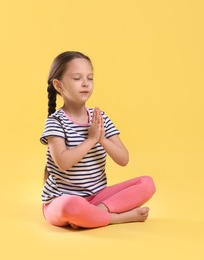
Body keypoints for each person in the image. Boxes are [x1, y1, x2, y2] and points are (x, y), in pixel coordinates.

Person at [40, 51, 156, 229]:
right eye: (77, 78)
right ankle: (114, 217)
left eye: (90, 78)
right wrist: (91, 139)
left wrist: (102, 139)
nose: (86, 83)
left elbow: (123, 159)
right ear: (58, 85)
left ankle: (94, 213)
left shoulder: (100, 118)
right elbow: (63, 162)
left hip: (97, 197)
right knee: (70, 206)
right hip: (62, 199)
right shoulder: (55, 122)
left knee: (147, 183)